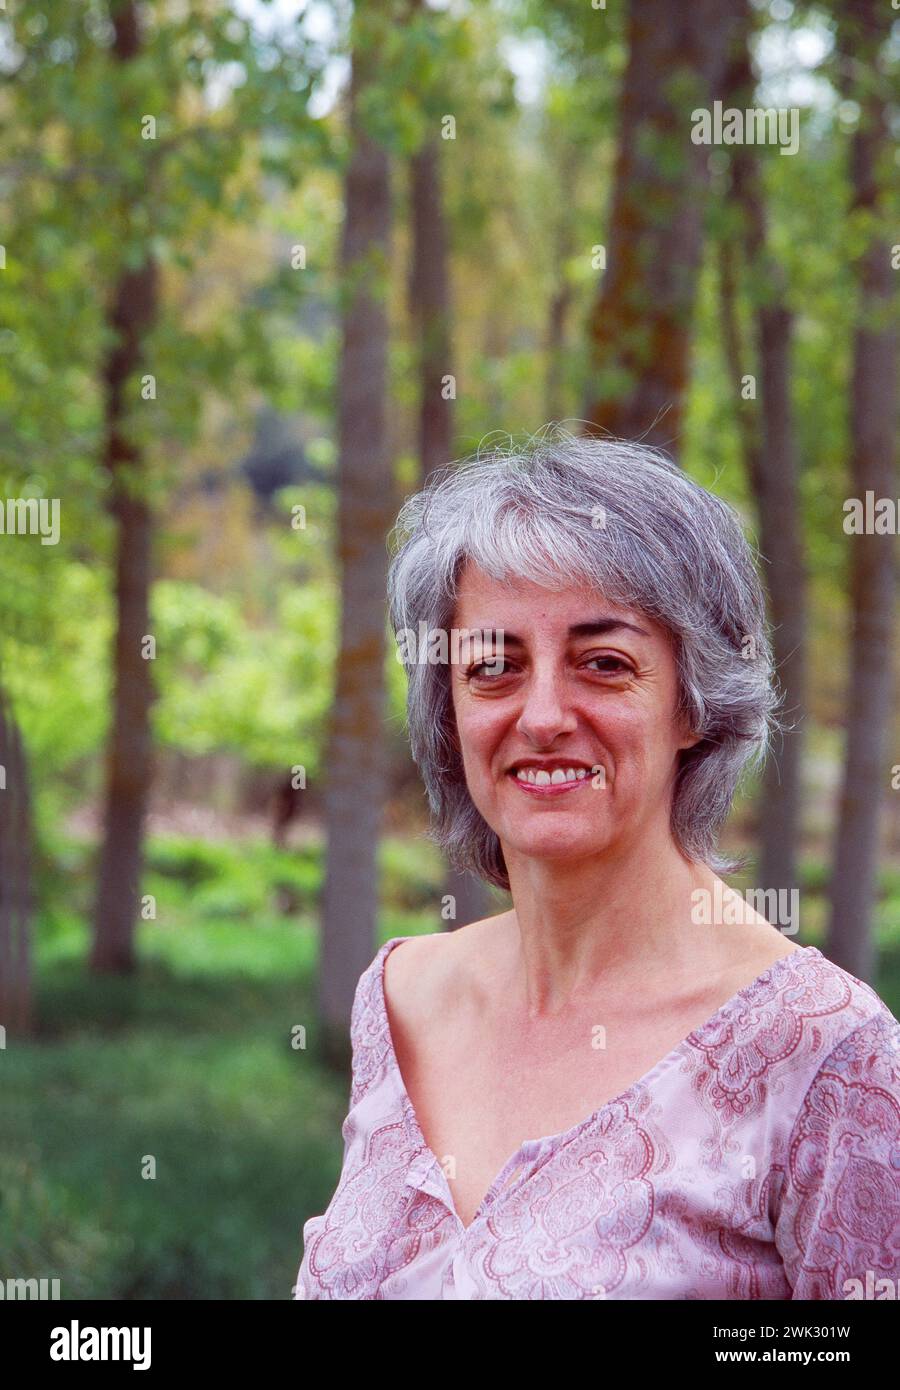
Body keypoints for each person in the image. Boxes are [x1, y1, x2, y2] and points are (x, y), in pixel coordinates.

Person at [293, 428, 900, 1300]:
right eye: (493, 667)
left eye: (603, 663)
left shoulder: (825, 1052)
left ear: (693, 702)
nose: (542, 715)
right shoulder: (398, 999)